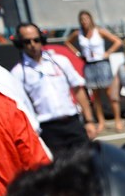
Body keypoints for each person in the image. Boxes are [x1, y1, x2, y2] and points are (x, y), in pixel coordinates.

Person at [10, 23, 97, 155]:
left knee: (88, 165)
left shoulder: (60, 61)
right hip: (48, 129)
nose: (32, 44)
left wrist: (89, 120)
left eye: (36, 40)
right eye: (27, 41)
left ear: (42, 39)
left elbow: (78, 89)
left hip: (72, 123)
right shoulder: (18, 73)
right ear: (20, 43)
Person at [65, 10, 122, 132]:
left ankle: (118, 120)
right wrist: (78, 53)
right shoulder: (78, 33)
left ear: (90, 19)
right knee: (95, 96)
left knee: (110, 94)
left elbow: (117, 41)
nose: (84, 21)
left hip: (102, 63)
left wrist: (108, 52)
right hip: (89, 65)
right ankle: (101, 121)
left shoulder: (99, 31)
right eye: (82, 19)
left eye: (86, 19)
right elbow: (67, 42)